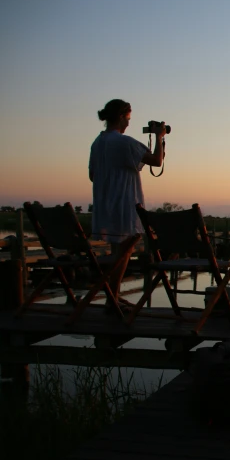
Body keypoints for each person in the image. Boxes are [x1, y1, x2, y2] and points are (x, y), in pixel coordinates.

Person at [89, 99, 166, 307]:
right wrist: (159, 137)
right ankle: (111, 298)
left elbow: (92, 175)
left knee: (120, 251)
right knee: (124, 251)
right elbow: (157, 161)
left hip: (104, 205)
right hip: (124, 204)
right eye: (129, 118)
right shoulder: (124, 142)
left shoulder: (97, 143)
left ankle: (112, 296)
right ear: (121, 116)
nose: (129, 123)